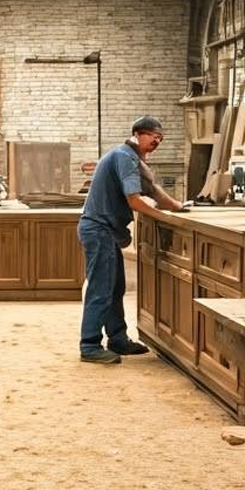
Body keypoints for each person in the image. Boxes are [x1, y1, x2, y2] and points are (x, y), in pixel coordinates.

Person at [78, 116, 184, 364]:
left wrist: (179, 207)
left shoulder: (133, 159)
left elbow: (155, 191)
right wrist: (164, 218)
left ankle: (118, 340)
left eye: (160, 138)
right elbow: (134, 200)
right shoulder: (125, 157)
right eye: (152, 136)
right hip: (99, 229)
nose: (156, 141)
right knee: (101, 289)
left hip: (108, 231)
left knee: (115, 289)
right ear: (137, 133)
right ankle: (89, 345)